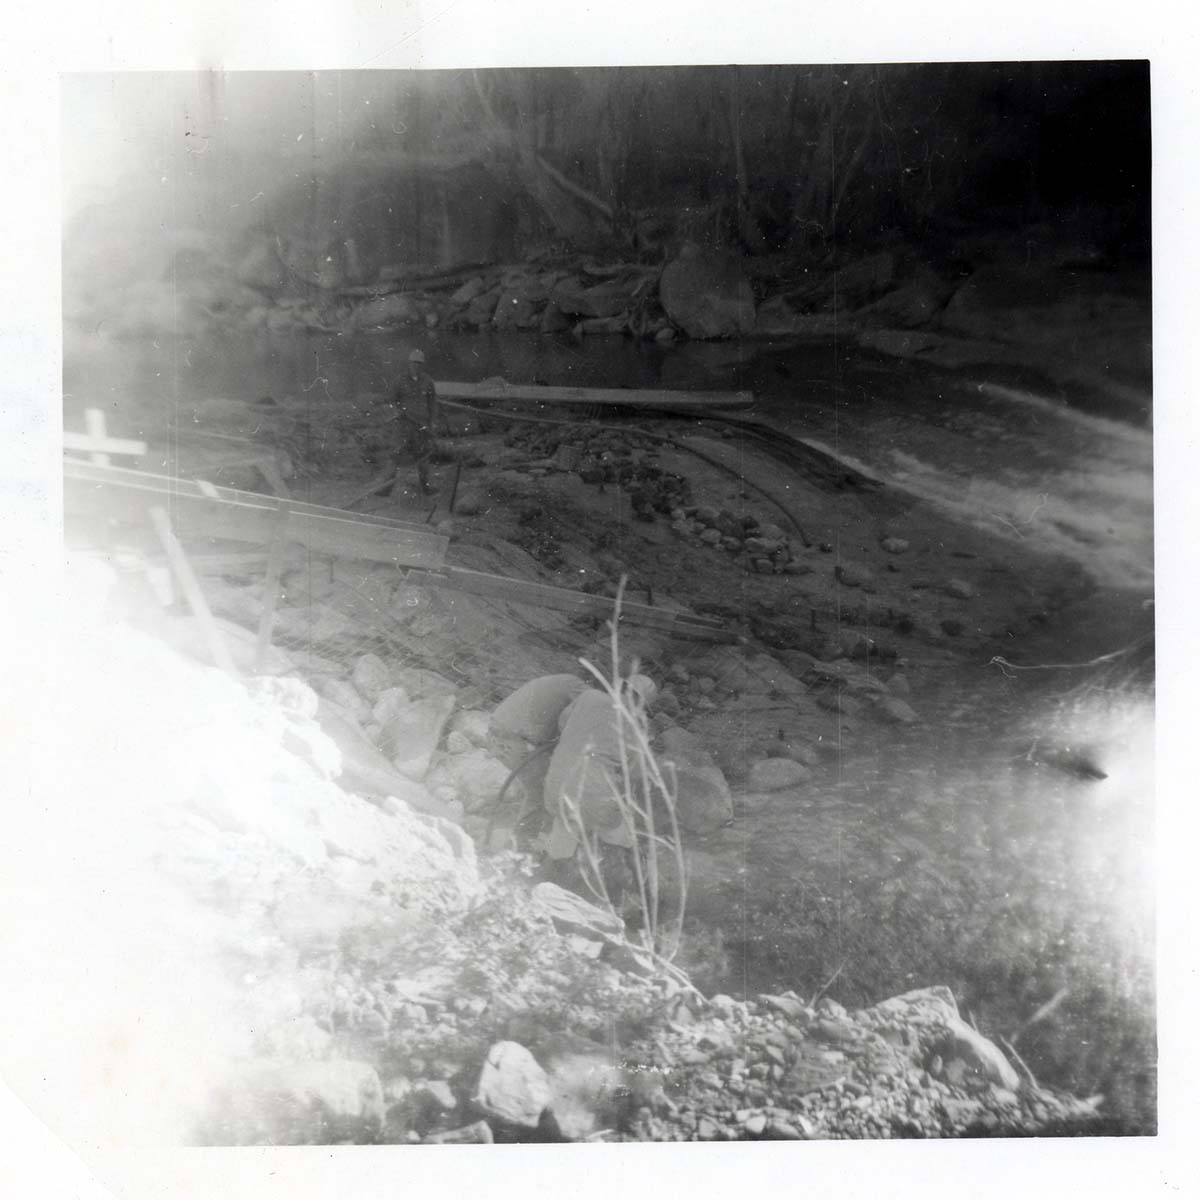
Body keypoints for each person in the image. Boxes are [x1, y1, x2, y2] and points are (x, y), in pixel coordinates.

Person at [391, 348, 441, 496]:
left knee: (424, 456)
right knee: (396, 454)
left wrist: (433, 422)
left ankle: (426, 487)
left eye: (419, 364)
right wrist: (397, 411)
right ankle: (386, 488)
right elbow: (393, 400)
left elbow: (432, 403)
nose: (416, 366)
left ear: (423, 365)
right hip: (405, 425)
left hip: (422, 426)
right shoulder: (399, 380)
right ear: (409, 363)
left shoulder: (428, 381)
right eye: (414, 363)